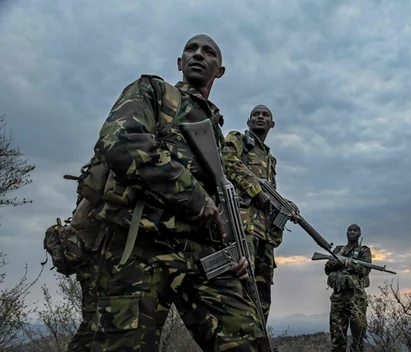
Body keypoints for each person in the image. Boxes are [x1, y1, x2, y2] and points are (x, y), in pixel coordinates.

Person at [86, 34, 263, 351]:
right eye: (190, 49)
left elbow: (227, 204)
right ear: (180, 63)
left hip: (205, 254)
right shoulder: (154, 92)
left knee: (247, 341)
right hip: (139, 244)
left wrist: (238, 251)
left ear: (219, 70)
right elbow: (121, 142)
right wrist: (195, 198)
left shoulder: (217, 133)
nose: (198, 54)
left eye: (208, 52)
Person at [222, 104, 298, 322]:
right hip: (242, 227)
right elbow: (226, 160)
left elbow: (269, 192)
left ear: (272, 124)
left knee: (263, 296)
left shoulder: (269, 158)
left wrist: (287, 204)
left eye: (265, 115)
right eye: (256, 114)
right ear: (249, 122)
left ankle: (258, 339)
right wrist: (255, 190)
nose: (260, 117)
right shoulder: (238, 140)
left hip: (266, 234)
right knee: (242, 287)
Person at [324, 224, 371, 352]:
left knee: (358, 335)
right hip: (338, 296)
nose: (352, 232)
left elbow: (365, 269)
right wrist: (333, 264)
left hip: (357, 297)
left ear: (359, 234)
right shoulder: (338, 250)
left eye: (355, 230)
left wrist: (346, 263)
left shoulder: (364, 251)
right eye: (349, 230)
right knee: (337, 334)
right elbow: (327, 269)